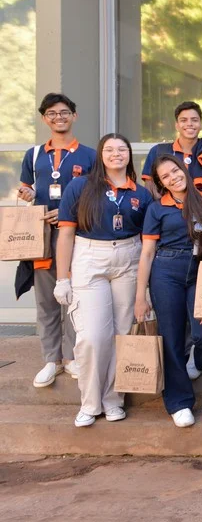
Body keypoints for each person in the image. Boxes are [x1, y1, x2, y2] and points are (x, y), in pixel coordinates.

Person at [54, 134, 152, 427]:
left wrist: (144, 290)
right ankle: (90, 402)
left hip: (128, 257)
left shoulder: (141, 193)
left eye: (122, 149)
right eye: (109, 149)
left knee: (122, 333)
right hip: (89, 258)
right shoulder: (80, 186)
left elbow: (149, 242)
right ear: (100, 155)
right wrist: (62, 277)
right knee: (93, 336)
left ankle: (113, 400)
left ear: (130, 155)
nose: (116, 154)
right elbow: (66, 234)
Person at [134, 155, 202, 427]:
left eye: (175, 170)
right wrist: (141, 295)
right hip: (166, 270)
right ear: (160, 183)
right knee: (172, 336)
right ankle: (179, 403)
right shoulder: (156, 208)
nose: (173, 177)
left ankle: (198, 360)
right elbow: (147, 252)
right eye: (165, 176)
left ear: (183, 169)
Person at [18, 93, 97, 389]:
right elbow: (27, 189)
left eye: (64, 112)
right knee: (47, 299)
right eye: (52, 113)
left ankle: (72, 356)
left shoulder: (90, 155)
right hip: (43, 237)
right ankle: (51, 359)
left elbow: (95, 195)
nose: (58, 118)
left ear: (74, 116)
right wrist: (26, 196)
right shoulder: (35, 155)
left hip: (77, 235)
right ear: (44, 119)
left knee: (75, 298)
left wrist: (66, 212)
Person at [141, 101, 202, 197]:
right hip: (167, 209)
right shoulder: (158, 151)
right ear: (177, 125)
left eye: (194, 120)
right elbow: (150, 188)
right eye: (183, 120)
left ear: (201, 125)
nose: (189, 124)